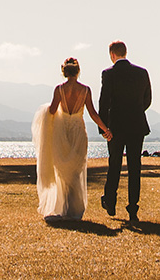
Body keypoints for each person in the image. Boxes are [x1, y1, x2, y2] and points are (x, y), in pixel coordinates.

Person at [34, 57, 109, 221]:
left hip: (62, 132)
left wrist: (46, 111)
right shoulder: (86, 90)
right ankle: (74, 208)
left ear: (64, 72)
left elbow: (52, 110)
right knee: (75, 170)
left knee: (62, 170)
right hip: (78, 131)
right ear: (78, 71)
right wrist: (105, 129)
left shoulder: (59, 89)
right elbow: (93, 113)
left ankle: (65, 207)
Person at [97, 40, 152, 222]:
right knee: (134, 167)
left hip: (116, 127)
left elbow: (104, 102)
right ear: (125, 52)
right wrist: (136, 111)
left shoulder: (108, 74)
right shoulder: (142, 73)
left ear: (112, 54)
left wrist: (104, 127)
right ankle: (133, 207)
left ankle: (111, 201)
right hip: (136, 125)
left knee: (114, 164)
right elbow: (147, 99)